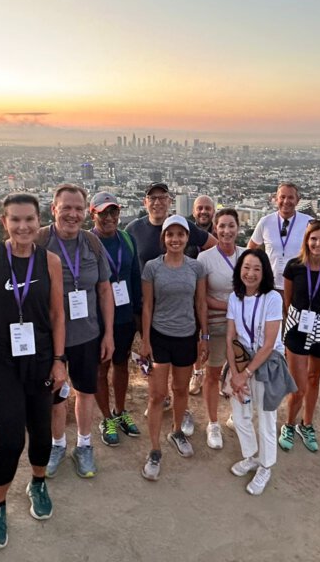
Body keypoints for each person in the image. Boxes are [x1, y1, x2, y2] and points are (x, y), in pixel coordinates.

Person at [0, 193, 67, 549]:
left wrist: (59, 360)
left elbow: (57, 315)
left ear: (39, 221)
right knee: (11, 440)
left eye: (29, 219)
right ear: (4, 222)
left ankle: (37, 482)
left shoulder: (50, 261)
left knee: (42, 435)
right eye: (15, 219)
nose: (23, 226)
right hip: (1, 363)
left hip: (39, 359)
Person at [40, 184, 114, 479]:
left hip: (87, 333)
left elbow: (105, 289)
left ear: (86, 212)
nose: (72, 214)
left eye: (78, 209)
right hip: (49, 336)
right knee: (56, 393)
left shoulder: (93, 244)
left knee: (86, 390)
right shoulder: (40, 241)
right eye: (66, 208)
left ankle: (84, 445)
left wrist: (108, 333)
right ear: (53, 209)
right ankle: (57, 444)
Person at [127, 182, 215, 427]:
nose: (157, 202)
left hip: (181, 306)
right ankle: (160, 398)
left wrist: (194, 271)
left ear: (169, 201)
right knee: (153, 359)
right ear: (145, 202)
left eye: (162, 198)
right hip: (147, 307)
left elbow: (213, 245)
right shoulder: (134, 228)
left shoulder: (182, 225)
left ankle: (180, 407)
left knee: (179, 370)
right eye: (152, 198)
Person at [139, 215, 209, 480]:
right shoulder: (152, 267)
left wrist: (204, 336)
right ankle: (154, 449)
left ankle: (177, 431)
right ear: (163, 239)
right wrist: (145, 340)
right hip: (159, 336)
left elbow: (201, 303)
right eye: (170, 235)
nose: (175, 239)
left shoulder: (195, 268)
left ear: (187, 238)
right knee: (157, 395)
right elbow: (147, 305)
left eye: (180, 235)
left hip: (187, 335)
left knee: (181, 389)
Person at [278, 220, 320, 453]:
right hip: (298, 326)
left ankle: (307, 424)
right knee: (298, 384)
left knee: (314, 378)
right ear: (307, 240)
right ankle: (289, 423)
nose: (318, 243)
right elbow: (287, 300)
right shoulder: (294, 266)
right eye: (313, 238)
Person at [225, 249, 286, 495]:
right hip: (240, 363)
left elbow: (269, 343)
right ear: (239, 270)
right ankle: (251, 456)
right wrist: (235, 373)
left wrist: (245, 374)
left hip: (266, 363)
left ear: (264, 273)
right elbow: (230, 337)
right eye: (246, 268)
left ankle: (266, 465)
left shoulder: (272, 298)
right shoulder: (234, 298)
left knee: (266, 418)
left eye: (256, 269)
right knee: (240, 414)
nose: (250, 274)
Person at [89, 192, 143, 447]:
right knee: (101, 368)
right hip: (97, 320)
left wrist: (139, 321)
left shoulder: (127, 240)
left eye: (113, 212)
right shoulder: (87, 242)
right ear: (93, 214)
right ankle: (106, 417)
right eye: (103, 213)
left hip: (124, 317)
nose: (109, 217)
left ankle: (120, 411)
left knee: (121, 365)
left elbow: (135, 280)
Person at [195, 208, 245, 448]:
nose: (226, 230)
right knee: (213, 374)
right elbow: (202, 298)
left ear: (238, 228)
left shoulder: (246, 256)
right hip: (216, 323)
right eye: (222, 226)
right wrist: (231, 307)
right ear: (215, 228)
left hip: (242, 326)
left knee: (240, 372)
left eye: (231, 225)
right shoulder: (205, 259)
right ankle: (213, 423)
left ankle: (237, 415)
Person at [248, 182, 313, 292]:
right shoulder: (265, 222)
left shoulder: (309, 223)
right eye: (282, 197)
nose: (286, 201)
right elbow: (251, 248)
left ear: (297, 200)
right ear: (276, 199)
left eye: (291, 197)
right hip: (270, 285)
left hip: (299, 285)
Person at [187, 195, 216, 395]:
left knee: (217, 332)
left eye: (207, 208)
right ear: (194, 211)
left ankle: (218, 372)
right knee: (193, 334)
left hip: (214, 291)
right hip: (189, 294)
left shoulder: (221, 231)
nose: (203, 212)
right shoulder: (185, 231)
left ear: (213, 211)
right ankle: (197, 372)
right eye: (200, 208)